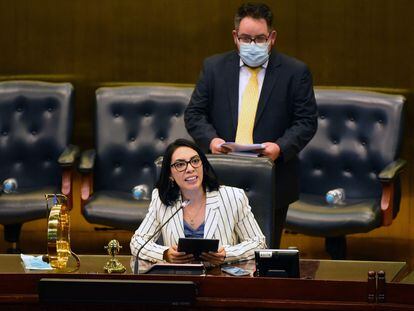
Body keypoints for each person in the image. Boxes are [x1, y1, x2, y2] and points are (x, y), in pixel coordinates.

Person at [184, 2, 318, 247]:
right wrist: (212, 141)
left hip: (271, 177)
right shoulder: (214, 68)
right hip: (220, 174)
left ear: (272, 37)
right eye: (246, 38)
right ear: (235, 37)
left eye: (259, 38)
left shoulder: (295, 72)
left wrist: (279, 148)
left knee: (265, 253)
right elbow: (194, 114)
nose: (253, 45)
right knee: (217, 251)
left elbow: (306, 122)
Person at [130, 139, 266, 265]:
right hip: (179, 280)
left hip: (221, 278)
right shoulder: (161, 199)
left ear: (203, 165)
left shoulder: (233, 197)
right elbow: (137, 242)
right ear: (170, 174)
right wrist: (164, 254)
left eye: (195, 161)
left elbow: (258, 242)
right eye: (180, 164)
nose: (190, 168)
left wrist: (227, 254)